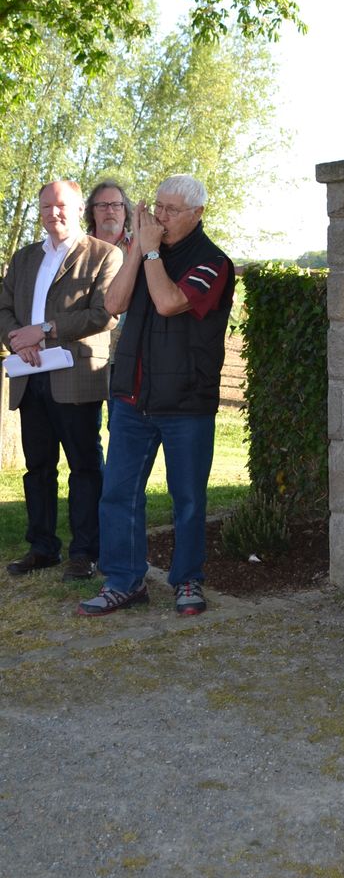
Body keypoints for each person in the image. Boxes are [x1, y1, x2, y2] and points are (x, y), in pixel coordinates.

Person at [78, 174, 235, 617]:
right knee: (118, 494)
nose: (159, 217)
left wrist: (147, 251)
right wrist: (136, 253)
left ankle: (187, 581)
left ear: (197, 214)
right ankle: (124, 582)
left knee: (187, 500)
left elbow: (168, 302)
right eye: (157, 207)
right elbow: (113, 304)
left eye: (170, 210)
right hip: (131, 399)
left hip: (186, 404)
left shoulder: (212, 262)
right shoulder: (144, 252)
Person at [0, 180, 122, 580]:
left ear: (78, 208)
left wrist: (45, 330)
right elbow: (3, 308)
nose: (54, 212)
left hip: (76, 377)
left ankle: (84, 552)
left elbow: (104, 313)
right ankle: (42, 547)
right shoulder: (23, 258)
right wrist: (17, 339)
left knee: (84, 468)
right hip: (29, 375)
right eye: (47, 206)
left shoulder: (104, 255)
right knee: (38, 468)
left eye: (61, 205)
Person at [84, 179, 133, 385]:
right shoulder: (77, 250)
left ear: (125, 210)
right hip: (85, 354)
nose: (110, 210)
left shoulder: (140, 247)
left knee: (120, 417)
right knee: (84, 417)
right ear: (92, 212)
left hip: (127, 353)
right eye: (102, 205)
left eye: (116, 205)